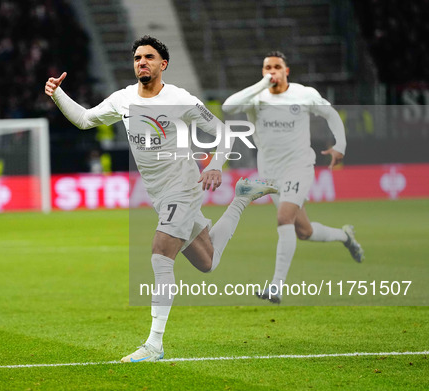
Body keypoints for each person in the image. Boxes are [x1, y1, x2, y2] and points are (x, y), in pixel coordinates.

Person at [45, 36, 277, 362]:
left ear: (162, 64)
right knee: (207, 262)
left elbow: (223, 132)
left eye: (149, 57)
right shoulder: (123, 99)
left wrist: (214, 164)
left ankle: (154, 344)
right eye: (138, 58)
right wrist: (57, 95)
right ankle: (241, 198)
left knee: (160, 253)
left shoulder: (179, 98)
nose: (142, 62)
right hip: (159, 194)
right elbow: (85, 119)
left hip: (183, 187)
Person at [223, 51, 364, 304]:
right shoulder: (256, 98)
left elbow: (330, 114)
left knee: (283, 217)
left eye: (277, 67)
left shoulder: (303, 94)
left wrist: (340, 145)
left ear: (286, 71)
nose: (272, 71)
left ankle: (276, 287)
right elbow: (228, 106)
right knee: (304, 231)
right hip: (271, 173)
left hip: (299, 166)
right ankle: (345, 236)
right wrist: (262, 85)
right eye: (267, 67)